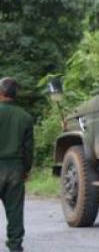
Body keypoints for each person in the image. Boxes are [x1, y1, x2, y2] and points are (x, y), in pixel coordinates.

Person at [0, 78, 33, 252]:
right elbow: (28, 148)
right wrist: (26, 169)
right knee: (15, 209)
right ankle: (15, 245)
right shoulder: (25, 117)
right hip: (15, 168)